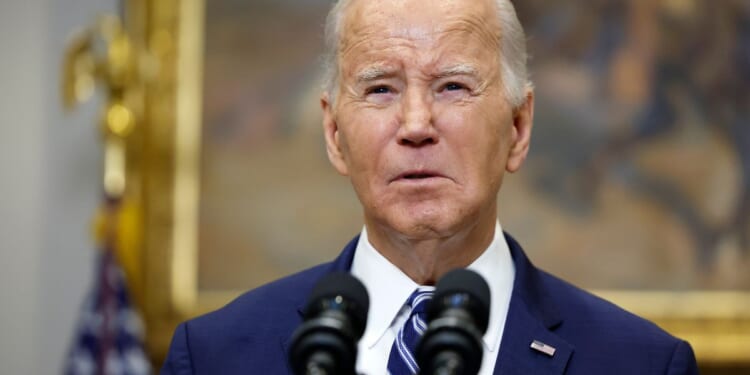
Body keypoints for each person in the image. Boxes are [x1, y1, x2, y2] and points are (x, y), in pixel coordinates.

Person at [161, 0, 699, 374]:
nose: (416, 124)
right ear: (333, 134)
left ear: (518, 127)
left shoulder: (641, 363)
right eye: (380, 88)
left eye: (453, 86)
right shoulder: (215, 358)